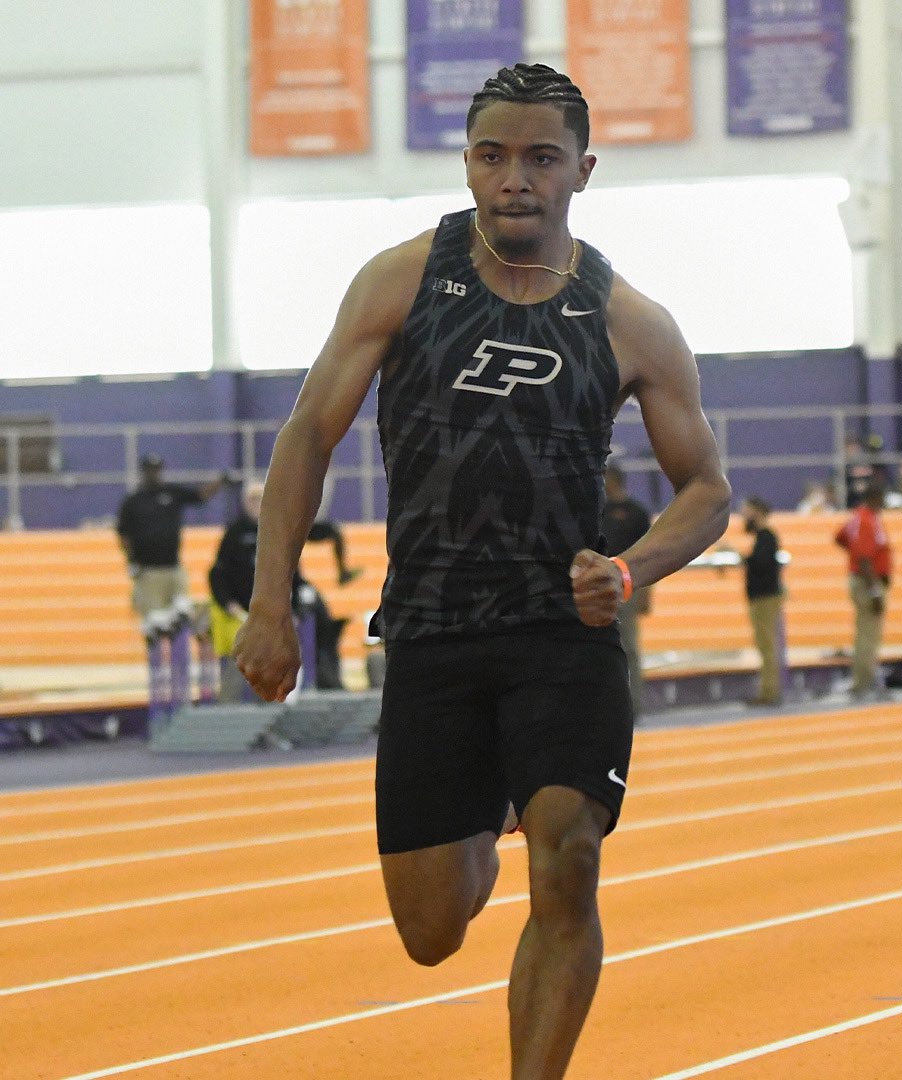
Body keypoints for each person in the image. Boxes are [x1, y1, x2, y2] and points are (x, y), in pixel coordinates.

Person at [232, 63, 730, 1080]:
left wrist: (629, 570)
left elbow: (708, 491)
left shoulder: (629, 320)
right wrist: (269, 604)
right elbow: (307, 436)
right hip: (433, 630)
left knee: (570, 859)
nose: (516, 179)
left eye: (541, 158)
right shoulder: (401, 281)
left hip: (563, 634)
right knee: (432, 929)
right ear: (467, 164)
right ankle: (503, 797)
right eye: (494, 156)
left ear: (582, 170)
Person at [209, 481, 346, 699]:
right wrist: (230, 605)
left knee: (317, 617)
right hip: (243, 612)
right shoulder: (234, 533)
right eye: (252, 499)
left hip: (279, 610)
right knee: (243, 651)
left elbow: (294, 571)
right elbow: (217, 575)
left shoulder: (280, 528)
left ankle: (323, 677)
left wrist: (297, 604)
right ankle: (235, 702)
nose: (257, 504)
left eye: (260, 498)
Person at [116, 453, 230, 629]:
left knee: (181, 613)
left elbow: (200, 496)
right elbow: (124, 535)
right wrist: (131, 561)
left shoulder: (172, 493)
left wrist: (220, 481)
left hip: (173, 567)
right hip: (148, 571)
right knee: (153, 622)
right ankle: (156, 645)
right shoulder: (133, 501)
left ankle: (179, 645)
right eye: (149, 470)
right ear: (143, 472)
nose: (153, 474)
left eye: (156, 470)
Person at [600, 463, 652, 719]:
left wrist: (646, 593)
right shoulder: (599, 510)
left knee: (629, 647)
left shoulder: (637, 513)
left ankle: (634, 705)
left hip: (627, 587)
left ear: (613, 479)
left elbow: (649, 556)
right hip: (600, 587)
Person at [834, 480, 892, 699]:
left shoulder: (859, 518)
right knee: (869, 636)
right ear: (874, 498)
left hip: (864, 580)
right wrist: (874, 589)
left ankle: (863, 681)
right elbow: (865, 556)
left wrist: (853, 553)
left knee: (865, 634)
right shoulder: (866, 520)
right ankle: (865, 683)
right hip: (867, 582)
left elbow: (840, 538)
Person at [737, 497, 785, 706]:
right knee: (766, 645)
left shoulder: (766, 536)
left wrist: (742, 558)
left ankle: (769, 691)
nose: (744, 516)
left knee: (767, 645)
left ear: (756, 511)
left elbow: (761, 564)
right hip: (764, 596)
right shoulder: (764, 536)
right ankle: (768, 690)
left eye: (746, 511)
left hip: (765, 597)